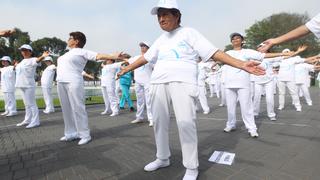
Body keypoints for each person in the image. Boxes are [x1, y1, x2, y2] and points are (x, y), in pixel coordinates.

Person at [117, 1, 265, 179]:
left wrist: (241, 64)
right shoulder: (160, 39)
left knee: (185, 123)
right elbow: (146, 58)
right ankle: (162, 157)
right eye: (159, 16)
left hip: (182, 81)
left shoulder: (189, 32)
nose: (161, 19)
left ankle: (191, 167)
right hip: (158, 82)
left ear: (177, 15)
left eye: (165, 14)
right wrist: (127, 68)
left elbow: (213, 52)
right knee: (158, 122)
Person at [56, 31, 121, 145]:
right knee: (66, 109)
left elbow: (98, 56)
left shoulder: (82, 52)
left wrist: (112, 56)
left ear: (76, 41)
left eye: (70, 38)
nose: (68, 40)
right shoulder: (66, 54)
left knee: (78, 108)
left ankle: (85, 134)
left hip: (73, 82)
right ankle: (70, 133)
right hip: (61, 82)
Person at [223, 32, 293, 137]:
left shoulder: (247, 52)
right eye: (233, 39)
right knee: (230, 107)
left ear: (242, 41)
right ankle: (230, 124)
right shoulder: (227, 52)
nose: (235, 40)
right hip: (229, 84)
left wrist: (283, 54)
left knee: (246, 107)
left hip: (243, 83)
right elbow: (216, 57)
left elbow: (264, 55)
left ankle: (251, 128)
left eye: (238, 38)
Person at [15, 44, 49, 128]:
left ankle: (35, 121)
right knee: (26, 104)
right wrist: (16, 65)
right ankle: (27, 120)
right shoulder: (22, 61)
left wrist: (43, 56)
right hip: (21, 84)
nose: (24, 52)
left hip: (28, 85)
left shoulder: (32, 59)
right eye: (22, 50)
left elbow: (37, 60)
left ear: (30, 52)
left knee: (31, 104)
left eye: (26, 50)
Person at [129, 42, 154, 126]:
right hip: (138, 81)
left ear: (148, 48)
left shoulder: (151, 57)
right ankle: (139, 117)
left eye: (144, 46)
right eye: (141, 46)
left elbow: (156, 67)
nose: (142, 47)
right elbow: (128, 61)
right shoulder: (136, 57)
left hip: (148, 81)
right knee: (139, 101)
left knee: (149, 101)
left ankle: (151, 118)